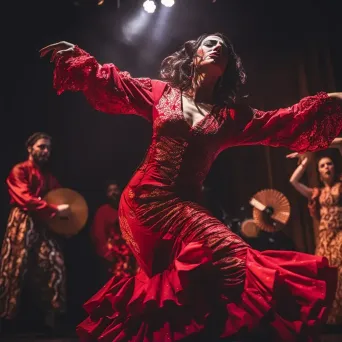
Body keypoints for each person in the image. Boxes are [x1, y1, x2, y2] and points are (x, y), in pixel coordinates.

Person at [40, 33, 342, 341]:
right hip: (142, 203)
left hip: (182, 206)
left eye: (224, 49)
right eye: (210, 43)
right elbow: (116, 83)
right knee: (180, 285)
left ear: (227, 68)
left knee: (214, 272)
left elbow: (280, 121)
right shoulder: (162, 93)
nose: (217, 49)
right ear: (193, 55)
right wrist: (78, 55)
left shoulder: (231, 117)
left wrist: (334, 103)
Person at [0, 132, 70, 332]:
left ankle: (51, 320)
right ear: (30, 148)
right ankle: (6, 319)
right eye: (41, 147)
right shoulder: (19, 170)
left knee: (55, 263)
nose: (46, 151)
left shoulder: (49, 178)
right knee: (15, 266)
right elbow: (26, 199)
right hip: (23, 222)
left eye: (48, 148)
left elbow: (62, 198)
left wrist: (66, 221)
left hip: (44, 224)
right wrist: (54, 210)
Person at [287, 137, 342, 327]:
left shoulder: (340, 187)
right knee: (328, 278)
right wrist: (306, 160)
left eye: (330, 164)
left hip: (341, 236)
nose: (327, 168)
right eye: (323, 166)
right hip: (325, 238)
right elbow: (293, 181)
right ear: (318, 172)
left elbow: (341, 144)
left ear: (335, 168)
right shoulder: (317, 193)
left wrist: (314, 145)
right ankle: (334, 319)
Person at [91, 181, 137, 281]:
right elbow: (99, 236)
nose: (113, 193)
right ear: (106, 194)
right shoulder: (102, 211)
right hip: (112, 260)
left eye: (115, 190)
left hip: (130, 258)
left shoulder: (128, 209)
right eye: (110, 191)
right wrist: (110, 257)